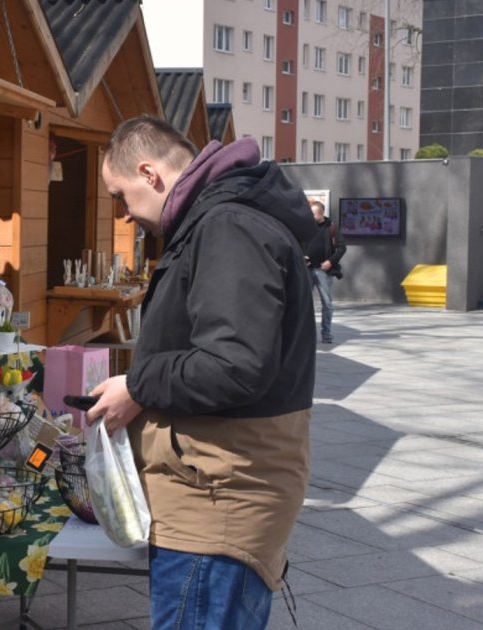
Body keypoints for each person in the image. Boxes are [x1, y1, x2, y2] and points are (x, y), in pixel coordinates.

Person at [87, 115, 316, 629]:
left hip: (219, 501)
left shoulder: (227, 226)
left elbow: (233, 365)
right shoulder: (220, 220)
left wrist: (138, 385)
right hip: (214, 488)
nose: (123, 216)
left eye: (120, 195)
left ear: (149, 174)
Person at [304, 199, 346, 343]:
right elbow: (296, 243)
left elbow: (341, 248)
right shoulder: (306, 227)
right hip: (307, 270)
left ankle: (326, 333)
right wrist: (302, 256)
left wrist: (330, 261)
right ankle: (305, 334)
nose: (311, 217)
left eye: (313, 214)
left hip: (323, 271)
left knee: (327, 304)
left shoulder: (331, 228)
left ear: (321, 214)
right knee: (303, 304)